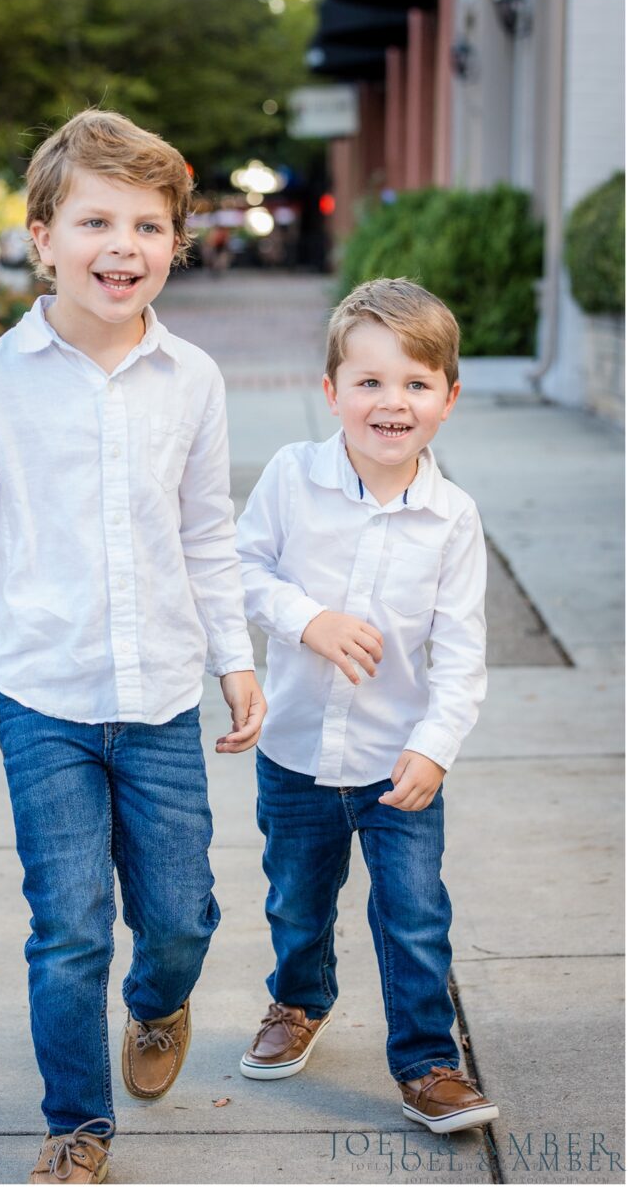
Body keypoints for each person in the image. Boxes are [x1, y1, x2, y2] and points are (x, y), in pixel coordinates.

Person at [0, 108, 266, 1184]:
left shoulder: (192, 381)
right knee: (70, 925)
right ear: (41, 235)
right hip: (41, 701)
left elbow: (205, 533)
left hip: (160, 701)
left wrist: (234, 656)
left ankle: (160, 1003)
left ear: (176, 243)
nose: (123, 247)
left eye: (149, 224)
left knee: (178, 915)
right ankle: (76, 1126)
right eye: (96, 220)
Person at [235, 278, 498, 1135]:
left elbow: (461, 657)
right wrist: (307, 620)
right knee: (297, 903)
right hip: (298, 753)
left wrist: (437, 747)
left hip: (399, 761)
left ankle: (427, 1062)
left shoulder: (452, 518)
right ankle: (298, 1001)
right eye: (371, 382)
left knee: (414, 913)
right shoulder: (291, 478)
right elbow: (239, 571)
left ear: (449, 399)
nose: (394, 403)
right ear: (332, 392)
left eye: (417, 384)